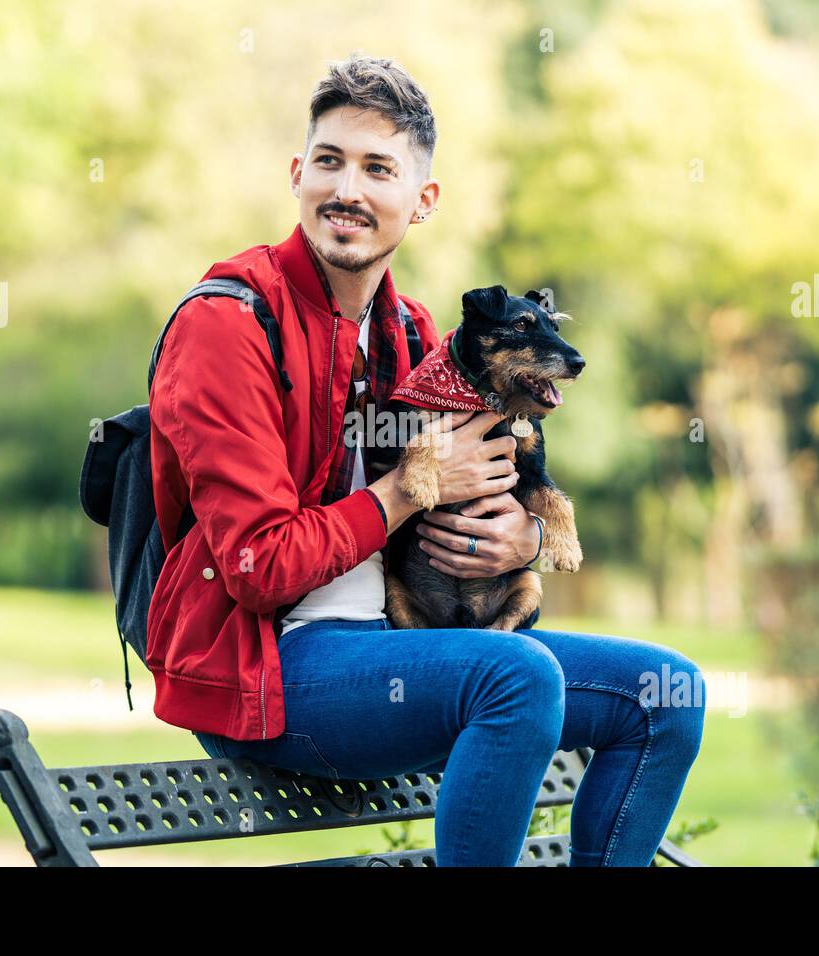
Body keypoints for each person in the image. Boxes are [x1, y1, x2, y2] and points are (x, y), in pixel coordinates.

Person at [147, 52, 706, 866]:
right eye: (330, 162)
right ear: (297, 173)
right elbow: (256, 566)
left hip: (414, 643)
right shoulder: (228, 325)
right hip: (271, 666)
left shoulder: (414, 336)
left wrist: (527, 541)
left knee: (671, 696)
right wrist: (408, 491)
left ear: (422, 202)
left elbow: (515, 480)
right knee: (516, 680)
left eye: (379, 169)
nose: (348, 189)